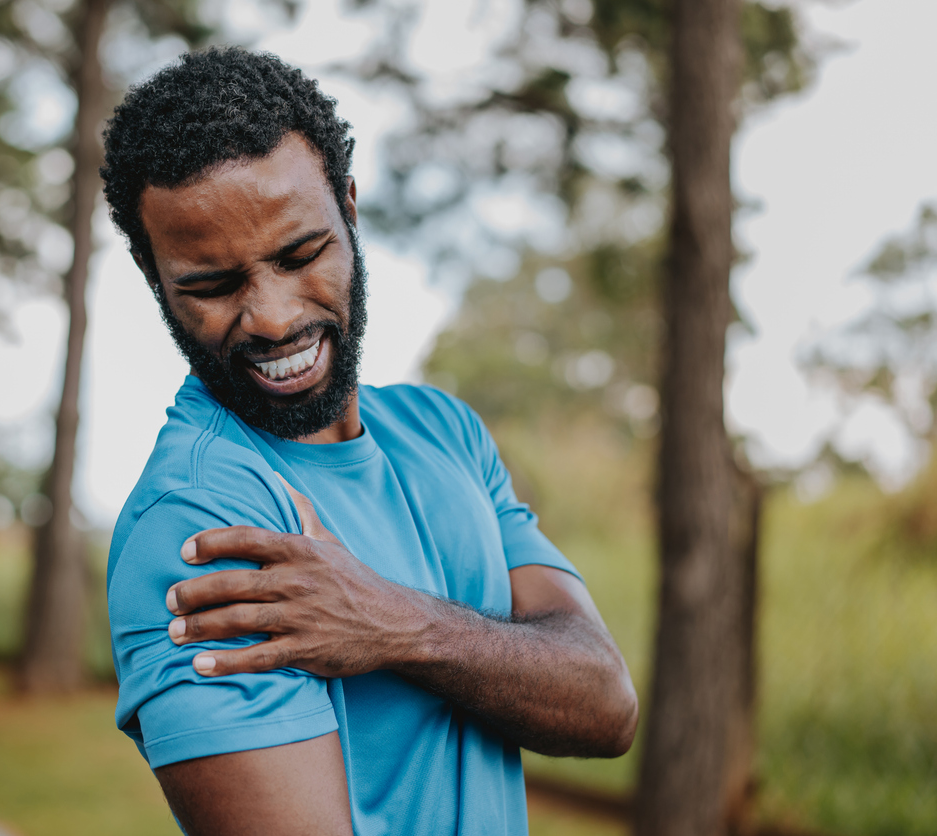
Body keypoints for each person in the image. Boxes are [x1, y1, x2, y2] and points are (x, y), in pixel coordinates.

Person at [100, 47, 638, 835]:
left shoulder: (442, 432)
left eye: (300, 254)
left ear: (348, 208)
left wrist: (396, 623)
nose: (274, 317)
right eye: (213, 285)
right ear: (155, 279)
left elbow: (604, 704)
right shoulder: (200, 524)